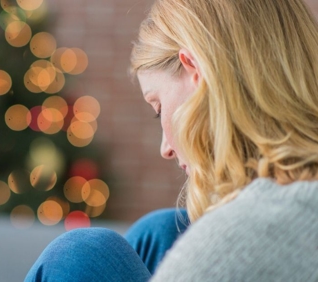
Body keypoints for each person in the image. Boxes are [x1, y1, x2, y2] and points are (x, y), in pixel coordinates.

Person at [25, 0, 318, 281]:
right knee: (163, 232)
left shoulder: (243, 234)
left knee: (81, 254)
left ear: (195, 72)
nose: (165, 148)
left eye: (159, 109)